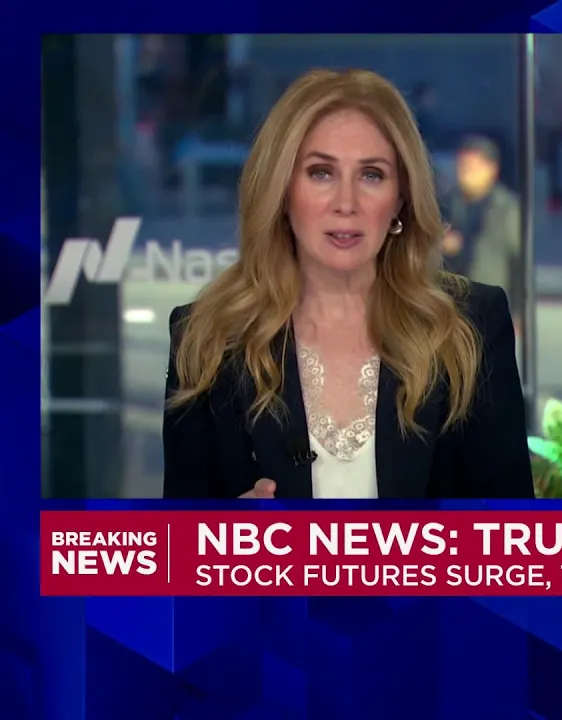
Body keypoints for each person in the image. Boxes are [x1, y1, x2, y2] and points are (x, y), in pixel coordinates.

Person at [162, 69, 533, 500]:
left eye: (371, 175)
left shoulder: (472, 327)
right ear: (282, 190)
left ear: (401, 197)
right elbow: (179, 535)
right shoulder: (206, 338)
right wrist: (220, 534)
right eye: (321, 173)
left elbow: (509, 532)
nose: (346, 203)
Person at [440, 135, 523, 327]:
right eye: (462, 166)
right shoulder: (447, 203)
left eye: (473, 167)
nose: (465, 173)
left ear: (491, 169)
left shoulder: (507, 208)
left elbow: (519, 263)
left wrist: (518, 310)